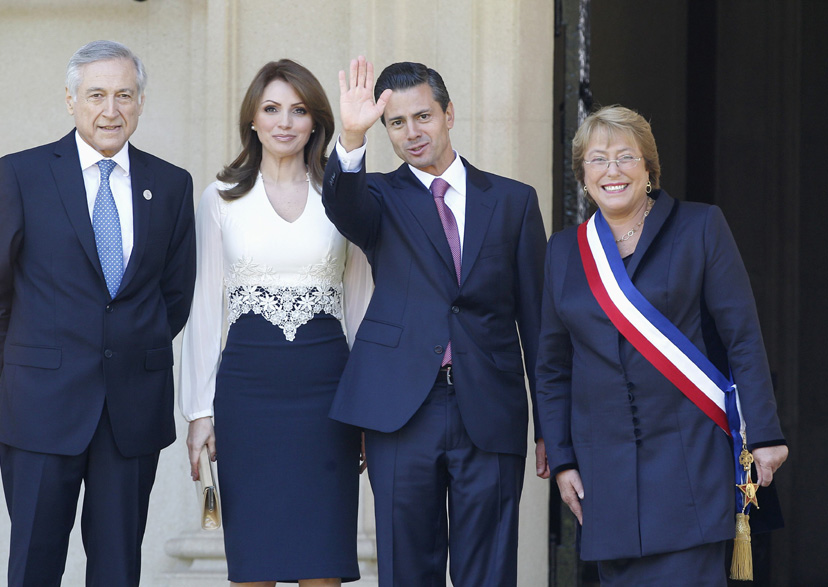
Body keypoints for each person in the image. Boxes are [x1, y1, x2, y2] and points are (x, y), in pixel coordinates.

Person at [0, 40, 195, 585]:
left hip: (131, 412)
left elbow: (173, 296)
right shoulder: (23, 174)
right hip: (40, 409)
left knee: (117, 571)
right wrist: (26, 364)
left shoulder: (172, 184)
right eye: (97, 96)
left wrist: (129, 356)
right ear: (70, 101)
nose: (111, 110)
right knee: (35, 567)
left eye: (124, 96)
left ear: (139, 102)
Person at [536, 105, 788, 585]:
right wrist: (564, 458)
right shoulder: (564, 251)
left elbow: (743, 337)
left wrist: (766, 435)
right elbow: (551, 366)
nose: (612, 171)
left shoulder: (700, 227)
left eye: (625, 157)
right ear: (582, 175)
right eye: (597, 160)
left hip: (691, 461)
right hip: (603, 473)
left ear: (649, 170)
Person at [321, 57, 548, 586]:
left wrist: (551, 430)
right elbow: (341, 202)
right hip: (402, 411)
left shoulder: (514, 201)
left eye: (422, 117)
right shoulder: (376, 195)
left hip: (490, 409)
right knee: (406, 570)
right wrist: (351, 137)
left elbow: (538, 325)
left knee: (488, 572)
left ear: (449, 113)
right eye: (396, 123)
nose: (412, 133)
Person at [179, 59, 371, 586]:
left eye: (298, 110)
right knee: (255, 563)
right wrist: (198, 410)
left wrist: (365, 403)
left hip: (328, 395)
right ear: (253, 121)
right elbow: (203, 307)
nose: (285, 122)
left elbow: (360, 309)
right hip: (247, 396)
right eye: (272, 109)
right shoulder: (218, 198)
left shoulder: (342, 196)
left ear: (315, 122)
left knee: (323, 562)